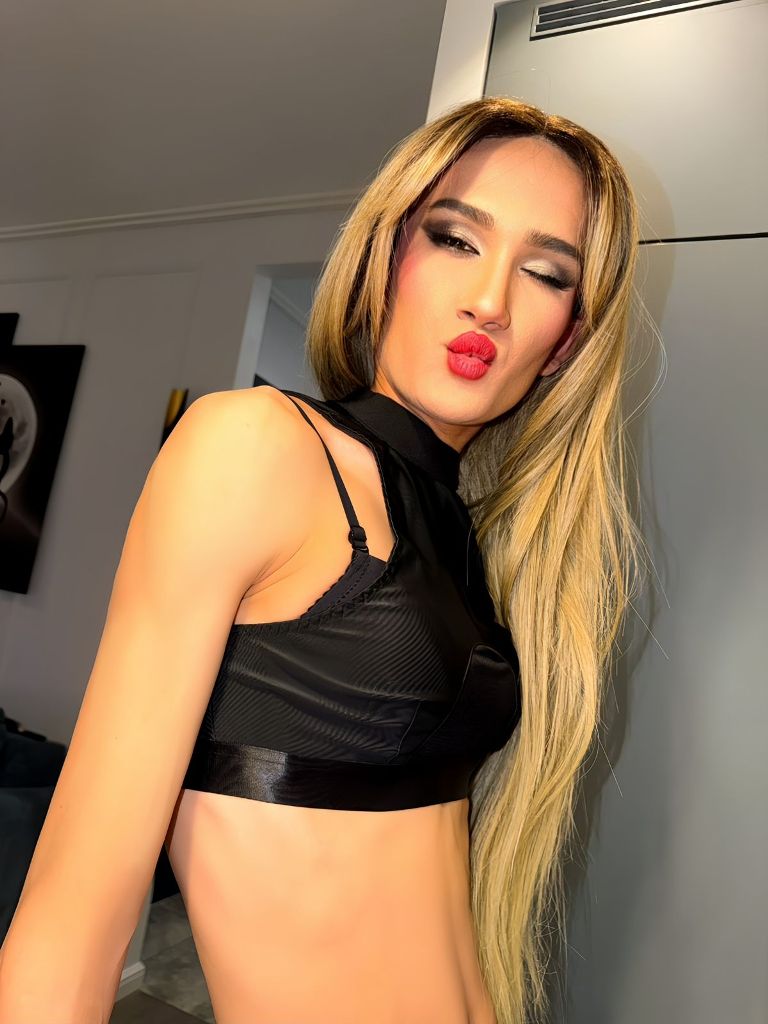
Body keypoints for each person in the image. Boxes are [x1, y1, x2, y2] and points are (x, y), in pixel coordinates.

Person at [0, 95, 648, 1024]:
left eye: (545, 273)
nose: (491, 301)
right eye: (456, 239)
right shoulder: (258, 446)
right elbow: (70, 922)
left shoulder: (468, 540)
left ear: (565, 345)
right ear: (386, 258)